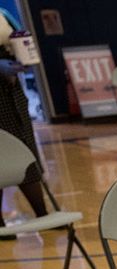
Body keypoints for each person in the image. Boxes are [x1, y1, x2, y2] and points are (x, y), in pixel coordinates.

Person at [0, 9, 48, 238]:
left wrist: (23, 58)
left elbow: (19, 37)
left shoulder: (3, 13)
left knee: (25, 149)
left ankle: (42, 213)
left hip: (11, 91)